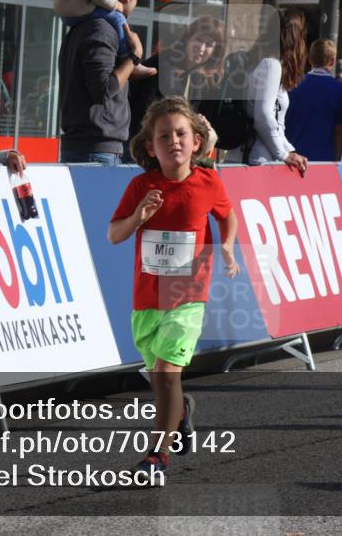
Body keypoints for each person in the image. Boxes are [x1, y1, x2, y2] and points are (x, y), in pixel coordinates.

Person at [107, 97, 239, 481]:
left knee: (166, 373)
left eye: (181, 134)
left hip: (188, 297)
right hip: (147, 298)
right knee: (160, 378)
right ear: (151, 147)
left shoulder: (208, 182)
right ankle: (180, 412)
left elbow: (228, 216)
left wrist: (227, 246)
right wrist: (139, 216)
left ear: (196, 142)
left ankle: (157, 457)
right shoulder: (141, 186)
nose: (173, 141)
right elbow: (114, 234)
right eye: (163, 136)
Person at [58, 0, 148, 164]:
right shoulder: (101, 30)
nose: (136, 4)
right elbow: (103, 89)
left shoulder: (84, 27)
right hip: (96, 150)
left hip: (91, 147)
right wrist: (134, 57)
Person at [224, 10, 309, 174]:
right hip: (255, 160)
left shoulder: (258, 62)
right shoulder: (271, 65)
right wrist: (284, 154)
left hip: (248, 157)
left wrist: (288, 150)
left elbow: (272, 120)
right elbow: (263, 115)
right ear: (295, 36)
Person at [128, 15, 226, 145]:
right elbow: (145, 113)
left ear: (215, 51)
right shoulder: (163, 65)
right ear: (188, 38)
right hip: (141, 145)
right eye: (198, 39)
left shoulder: (196, 78)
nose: (201, 48)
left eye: (209, 44)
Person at [285, 38, 342, 162]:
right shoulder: (341, 91)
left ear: (309, 59)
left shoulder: (292, 85)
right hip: (323, 161)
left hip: (292, 160)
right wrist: (336, 160)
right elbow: (340, 131)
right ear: (332, 61)